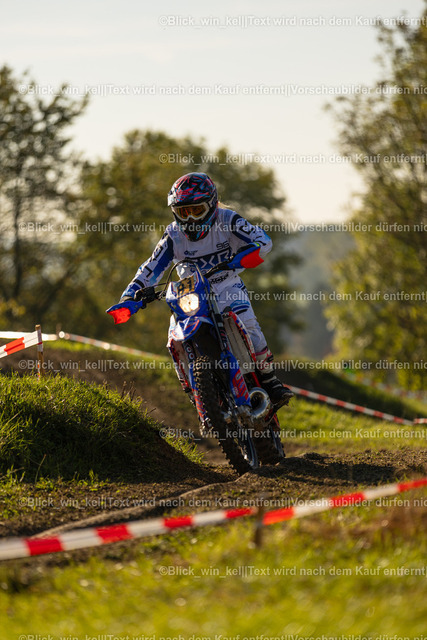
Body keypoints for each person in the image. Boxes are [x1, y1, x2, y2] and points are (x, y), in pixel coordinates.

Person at [113, 172, 293, 406]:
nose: (190, 219)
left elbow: (263, 240)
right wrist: (130, 296)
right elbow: (151, 267)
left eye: (196, 210)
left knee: (249, 323)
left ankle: (269, 379)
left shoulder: (228, 220)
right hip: (188, 292)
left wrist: (247, 253)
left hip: (226, 284)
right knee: (174, 338)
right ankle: (194, 392)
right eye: (183, 212)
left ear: (211, 205)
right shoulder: (173, 235)